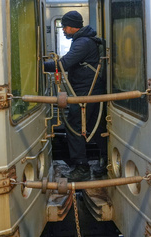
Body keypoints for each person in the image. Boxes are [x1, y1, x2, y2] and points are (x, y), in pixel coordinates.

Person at [44, 10, 107, 182]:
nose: (63, 30)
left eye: (65, 27)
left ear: (72, 27)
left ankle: (82, 167)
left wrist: (41, 65)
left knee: (73, 127)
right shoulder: (85, 40)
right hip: (90, 91)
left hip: (85, 93)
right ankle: (105, 161)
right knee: (97, 127)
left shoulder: (82, 43)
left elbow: (64, 64)